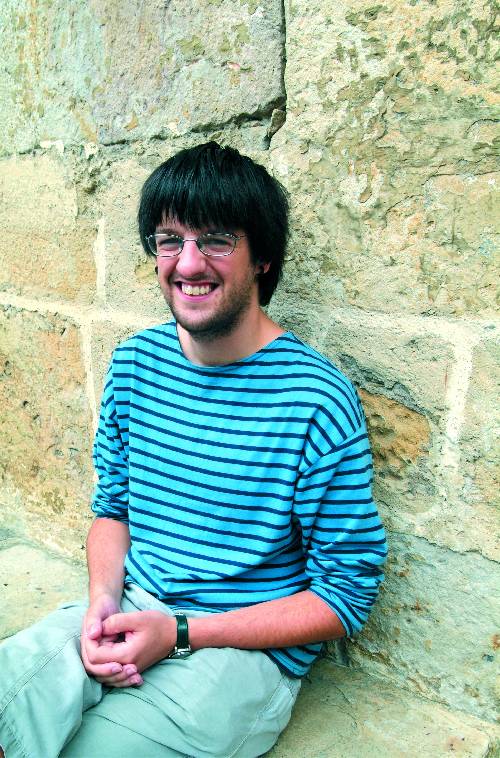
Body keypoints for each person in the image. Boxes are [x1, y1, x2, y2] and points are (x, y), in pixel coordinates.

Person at [0, 142, 387, 757]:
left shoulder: (315, 398)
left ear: (263, 258)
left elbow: (344, 595)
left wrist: (178, 633)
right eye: (169, 240)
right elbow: (113, 510)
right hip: (130, 606)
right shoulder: (135, 364)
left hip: (243, 653)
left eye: (216, 240)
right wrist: (101, 604)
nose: (188, 263)